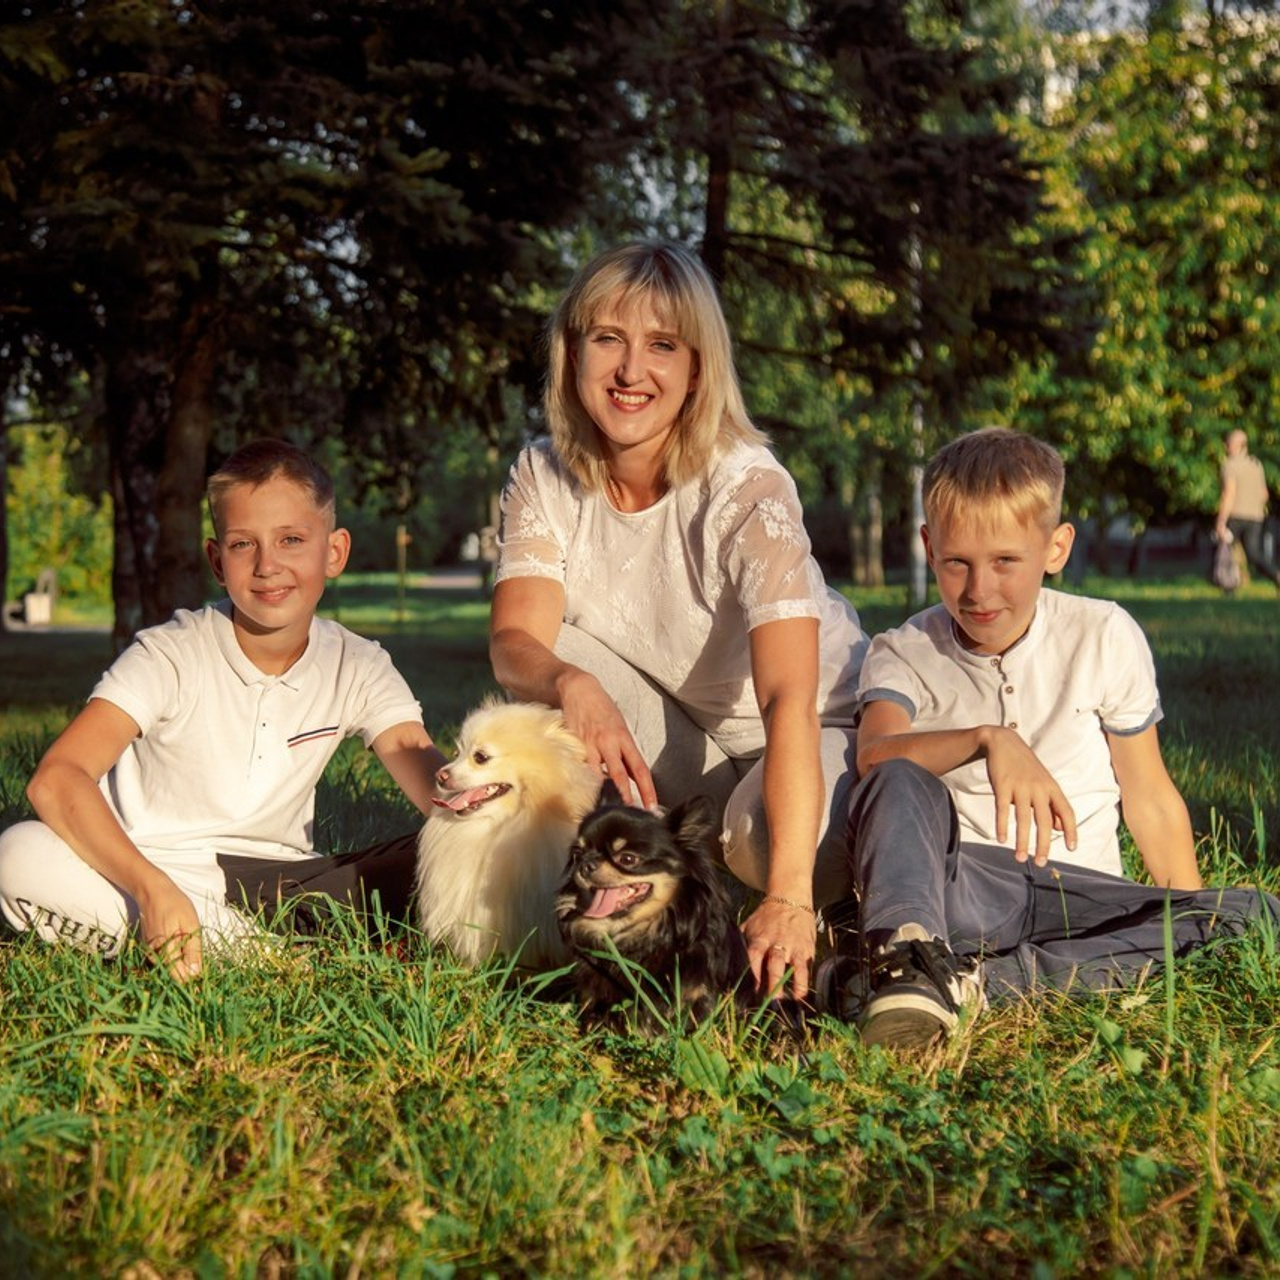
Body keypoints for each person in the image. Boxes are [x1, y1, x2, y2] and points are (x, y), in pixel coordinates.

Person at [488, 241, 868, 1002]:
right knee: (547, 674)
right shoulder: (542, 472)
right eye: (609, 339)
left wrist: (788, 895)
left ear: (697, 369)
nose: (631, 371)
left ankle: (828, 906)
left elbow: (788, 699)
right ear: (572, 353)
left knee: (757, 844)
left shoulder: (747, 487)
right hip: (691, 738)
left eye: (662, 345)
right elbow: (514, 641)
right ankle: (582, 911)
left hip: (811, 734)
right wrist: (572, 683)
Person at [816, 427, 1280, 1050]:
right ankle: (909, 957)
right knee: (898, 776)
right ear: (929, 547)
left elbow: (1149, 796)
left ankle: (969, 986)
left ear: (1056, 548)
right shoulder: (903, 651)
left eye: (1005, 562)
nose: (979, 590)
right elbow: (875, 757)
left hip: (1083, 894)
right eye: (957, 563)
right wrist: (987, 739)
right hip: (966, 892)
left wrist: (1186, 914)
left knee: (1256, 915)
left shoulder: (1103, 633)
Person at [0, 440, 445, 981]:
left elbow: (426, 774)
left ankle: (214, 941)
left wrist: (496, 811)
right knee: (18, 854)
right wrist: (151, 887)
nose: (268, 565)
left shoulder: (358, 663)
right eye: (242, 544)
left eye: (291, 540)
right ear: (217, 560)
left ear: (334, 551)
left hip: (285, 886)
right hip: (147, 866)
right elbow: (56, 779)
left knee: (449, 848)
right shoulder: (169, 653)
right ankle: (263, 956)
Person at [1215, 428, 1280, 592]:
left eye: (1228, 444)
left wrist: (1221, 520)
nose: (1226, 447)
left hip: (1236, 516)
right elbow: (1264, 494)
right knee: (1254, 554)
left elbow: (1229, 494)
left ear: (1237, 445)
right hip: (1256, 517)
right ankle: (1276, 575)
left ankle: (1227, 585)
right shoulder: (1256, 465)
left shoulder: (1230, 465)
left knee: (1224, 548)